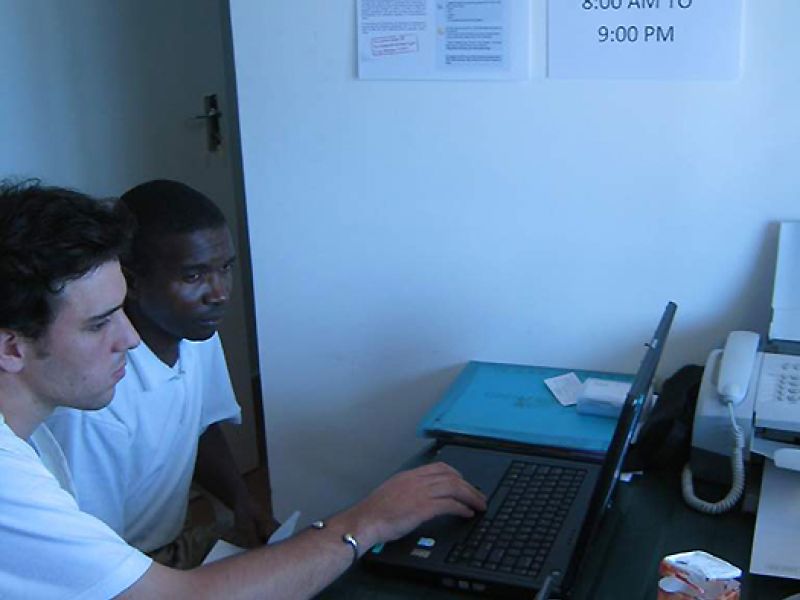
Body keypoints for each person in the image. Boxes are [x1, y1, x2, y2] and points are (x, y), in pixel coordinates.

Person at [0, 179, 485, 599]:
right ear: (11, 348)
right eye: (99, 324)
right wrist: (366, 521)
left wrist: (245, 503)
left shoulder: (34, 429)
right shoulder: (15, 479)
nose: (128, 339)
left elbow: (197, 426)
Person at [48, 179, 272, 567]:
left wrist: (241, 500)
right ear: (130, 282)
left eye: (225, 268)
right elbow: (96, 562)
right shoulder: (96, 395)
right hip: (123, 566)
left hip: (170, 540)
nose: (219, 293)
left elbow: (198, 424)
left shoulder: (196, 331)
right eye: (193, 276)